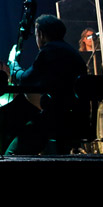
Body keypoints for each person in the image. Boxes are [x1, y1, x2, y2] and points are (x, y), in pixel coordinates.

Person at [5, 14, 87, 155]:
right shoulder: (71, 52)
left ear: (41, 34)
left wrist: (13, 64)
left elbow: (25, 79)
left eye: (36, 34)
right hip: (76, 119)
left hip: (57, 120)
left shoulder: (50, 51)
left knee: (12, 152)